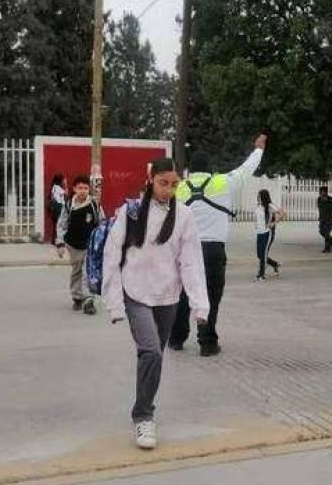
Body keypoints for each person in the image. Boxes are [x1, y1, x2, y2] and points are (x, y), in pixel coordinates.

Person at [102, 158, 210, 450]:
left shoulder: (184, 216)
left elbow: (191, 261)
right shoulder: (131, 211)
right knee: (150, 351)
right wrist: (114, 302)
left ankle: (144, 403)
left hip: (168, 297)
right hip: (135, 292)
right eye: (164, 182)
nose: (169, 189)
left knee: (153, 357)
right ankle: (143, 416)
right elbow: (112, 255)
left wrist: (200, 304)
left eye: (174, 184)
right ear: (151, 179)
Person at [169, 134, 267, 356]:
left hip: (186, 251)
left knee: (183, 295)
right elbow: (246, 169)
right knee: (211, 296)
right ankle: (207, 342)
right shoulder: (222, 181)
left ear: (190, 170)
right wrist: (258, 149)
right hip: (213, 250)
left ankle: (176, 338)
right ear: (210, 169)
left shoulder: (180, 188)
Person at [55, 176, 102, 313]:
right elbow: (61, 224)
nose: (83, 191)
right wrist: (60, 244)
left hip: (90, 245)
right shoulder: (69, 205)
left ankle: (89, 300)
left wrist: (102, 241)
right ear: (75, 189)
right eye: (80, 188)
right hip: (73, 244)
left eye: (86, 188)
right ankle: (77, 297)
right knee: (77, 271)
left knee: (88, 271)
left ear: (89, 190)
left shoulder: (94, 205)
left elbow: (101, 223)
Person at [255, 189, 285, 281]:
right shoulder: (258, 206)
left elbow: (283, 213)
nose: (257, 197)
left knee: (263, 254)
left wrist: (273, 223)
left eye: (259, 196)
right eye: (257, 196)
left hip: (267, 233)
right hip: (259, 233)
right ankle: (275, 264)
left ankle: (261, 275)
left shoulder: (270, 206)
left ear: (264, 197)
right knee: (259, 255)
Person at [317, 186, 332, 253]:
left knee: (327, 233)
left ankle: (327, 248)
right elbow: (320, 209)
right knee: (321, 231)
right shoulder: (319, 199)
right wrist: (320, 217)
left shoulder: (331, 200)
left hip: (329, 219)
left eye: (324, 192)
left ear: (326, 192)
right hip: (322, 219)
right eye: (321, 192)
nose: (322, 193)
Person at [48, 174, 66, 245]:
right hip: (59, 206)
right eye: (63, 179)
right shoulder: (58, 188)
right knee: (60, 224)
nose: (64, 181)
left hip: (56, 207)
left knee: (56, 224)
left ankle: (54, 239)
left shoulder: (54, 187)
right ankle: (58, 240)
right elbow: (65, 193)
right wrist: (65, 185)